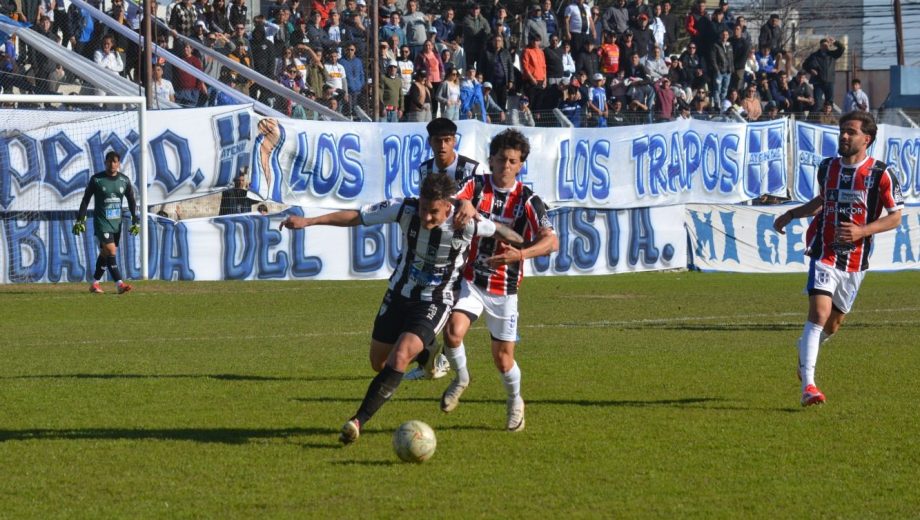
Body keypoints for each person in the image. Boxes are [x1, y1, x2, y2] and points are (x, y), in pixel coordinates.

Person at [279, 173, 523, 444]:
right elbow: (357, 217)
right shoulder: (404, 208)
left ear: (448, 207)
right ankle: (427, 354)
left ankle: (357, 421)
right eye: (423, 209)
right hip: (398, 294)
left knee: (400, 357)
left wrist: (516, 248)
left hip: (435, 300)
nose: (427, 218)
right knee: (379, 363)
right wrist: (309, 221)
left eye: (434, 213)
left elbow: (509, 234)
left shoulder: (465, 221)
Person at [772, 111, 903, 407]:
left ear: (866, 139)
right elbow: (824, 199)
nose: (844, 136)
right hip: (824, 252)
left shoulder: (880, 173)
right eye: (842, 131)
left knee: (832, 325)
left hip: (855, 261)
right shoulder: (827, 167)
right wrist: (792, 213)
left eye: (851, 132)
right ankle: (809, 386)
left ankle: (805, 349)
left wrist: (862, 231)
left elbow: (895, 217)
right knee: (818, 314)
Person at [439, 129, 559, 432]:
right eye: (501, 159)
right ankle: (462, 378)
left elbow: (551, 241)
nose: (505, 165)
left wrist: (519, 255)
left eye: (512, 160)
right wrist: (462, 204)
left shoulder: (529, 200)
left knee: (503, 361)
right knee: (453, 332)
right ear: (490, 160)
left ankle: (515, 400)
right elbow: (448, 197)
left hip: (505, 290)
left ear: (520, 165)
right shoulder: (477, 186)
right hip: (472, 280)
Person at [73, 151, 139, 295]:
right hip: (101, 222)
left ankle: (95, 284)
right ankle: (119, 284)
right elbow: (86, 199)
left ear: (119, 163)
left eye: (115, 161)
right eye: (109, 161)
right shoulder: (97, 179)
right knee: (111, 250)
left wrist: (135, 219)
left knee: (105, 253)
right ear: (105, 162)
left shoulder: (124, 180)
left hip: (117, 223)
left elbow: (132, 200)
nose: (112, 164)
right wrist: (80, 219)